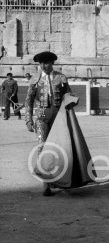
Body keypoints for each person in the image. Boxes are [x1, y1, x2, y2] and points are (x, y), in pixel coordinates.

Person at [24, 51, 92, 196]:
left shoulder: (61, 78)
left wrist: (71, 98)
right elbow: (28, 102)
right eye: (41, 63)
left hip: (59, 118)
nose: (44, 65)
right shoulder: (34, 80)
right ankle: (46, 184)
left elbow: (68, 94)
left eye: (47, 62)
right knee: (42, 149)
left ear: (52, 63)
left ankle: (61, 179)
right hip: (41, 118)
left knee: (61, 148)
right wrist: (28, 120)